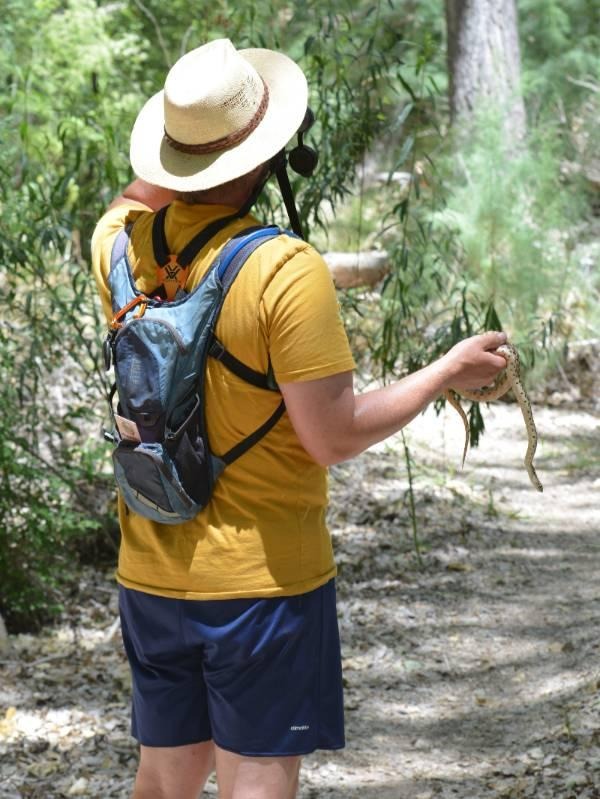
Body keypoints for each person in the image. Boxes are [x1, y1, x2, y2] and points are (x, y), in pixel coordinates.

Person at [91, 38, 508, 799]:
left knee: (165, 774)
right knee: (256, 779)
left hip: (150, 568)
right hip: (264, 583)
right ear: (268, 153)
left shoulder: (117, 247)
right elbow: (333, 433)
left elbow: (139, 190)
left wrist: (195, 141)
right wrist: (446, 371)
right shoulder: (285, 270)